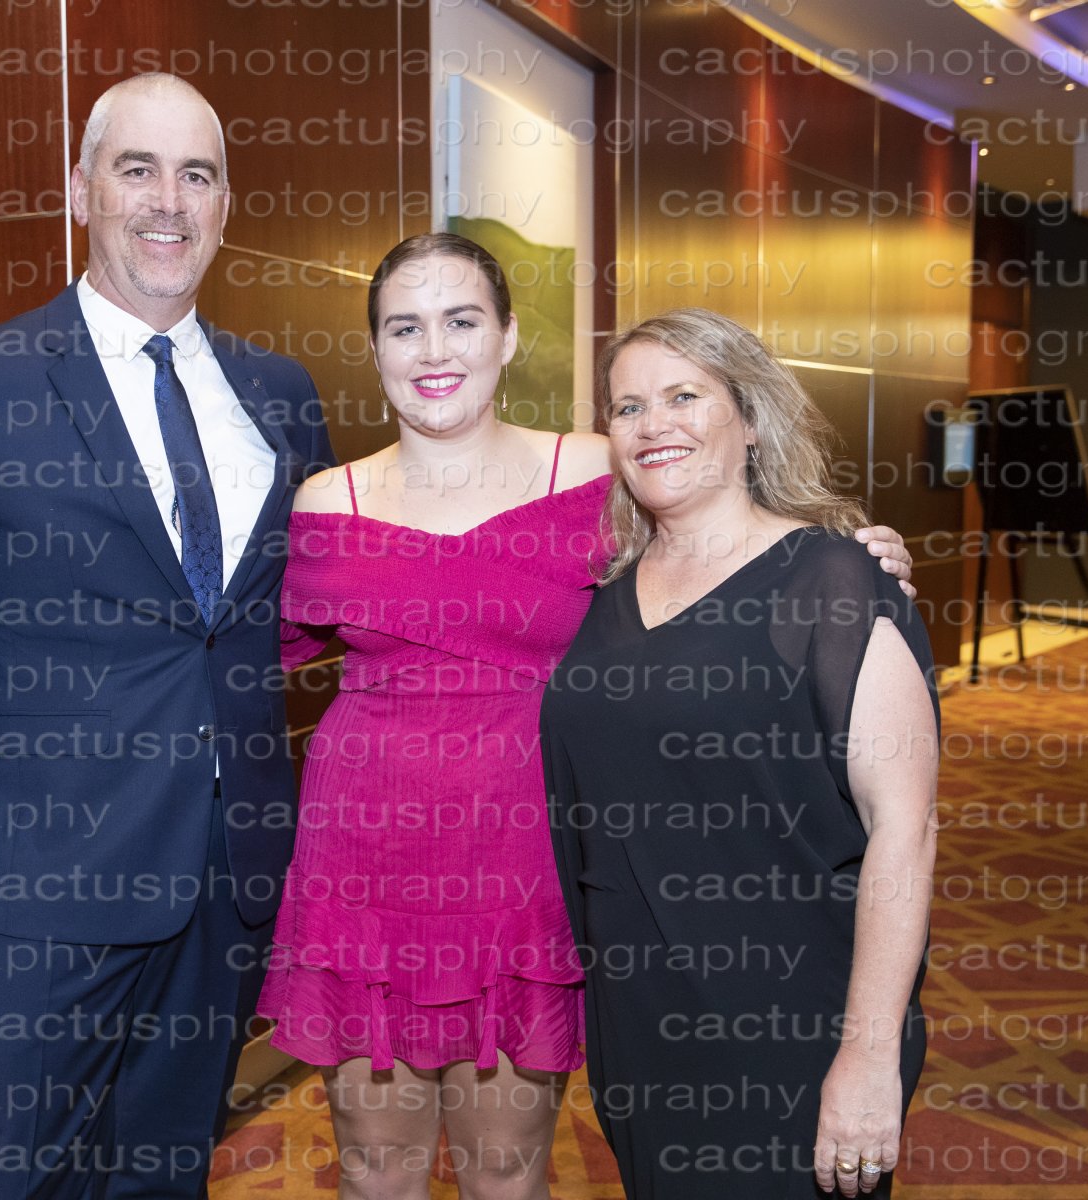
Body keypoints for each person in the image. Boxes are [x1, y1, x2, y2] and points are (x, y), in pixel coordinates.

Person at [257, 241, 916, 1199]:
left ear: (507, 337)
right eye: (405, 327)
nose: (434, 350)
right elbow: (238, 656)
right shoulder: (326, 501)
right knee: (373, 1162)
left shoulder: (602, 471)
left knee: (506, 1165)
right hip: (364, 859)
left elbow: (732, 528)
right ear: (375, 349)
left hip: (527, 856)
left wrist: (855, 555)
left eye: (462, 321)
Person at [0, 73, 334, 1199]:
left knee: (165, 1177)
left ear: (224, 205)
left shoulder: (279, 395)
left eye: (196, 175)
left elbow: (326, 606)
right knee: (23, 1182)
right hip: (40, 900)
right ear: (81, 190)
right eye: (137, 169)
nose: (168, 200)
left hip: (226, 887)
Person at [541, 308, 939, 1199]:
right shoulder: (602, 597)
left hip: (793, 1018)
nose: (654, 424)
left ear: (751, 418)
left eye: (685, 396)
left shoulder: (833, 581)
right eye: (628, 406)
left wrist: (869, 1057)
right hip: (643, 1017)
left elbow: (904, 828)